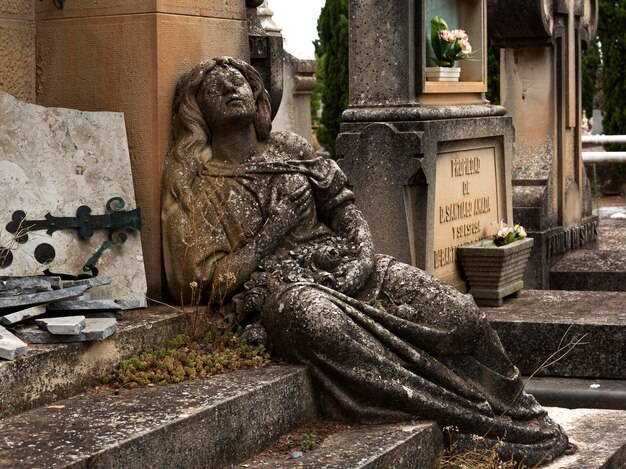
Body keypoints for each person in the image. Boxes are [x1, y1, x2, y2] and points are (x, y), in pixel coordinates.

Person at [161, 57, 569, 465]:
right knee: (319, 322)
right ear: (198, 112)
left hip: (343, 263)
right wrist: (275, 230)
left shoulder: (291, 149)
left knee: (461, 314)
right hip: (281, 291)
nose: (233, 88)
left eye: (240, 80)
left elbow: (345, 208)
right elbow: (199, 280)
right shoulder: (196, 182)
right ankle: (461, 418)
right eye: (217, 86)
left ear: (257, 94)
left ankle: (520, 414)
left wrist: (363, 255)